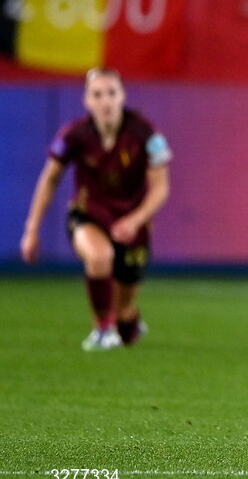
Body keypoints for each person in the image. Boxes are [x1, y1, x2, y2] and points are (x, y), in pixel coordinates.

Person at [20, 67, 172, 351]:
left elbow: (161, 188)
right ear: (87, 101)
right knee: (101, 257)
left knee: (124, 313)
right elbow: (50, 179)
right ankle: (102, 330)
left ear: (122, 96)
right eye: (97, 95)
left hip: (132, 223)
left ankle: (127, 323)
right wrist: (32, 229)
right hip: (88, 215)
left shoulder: (146, 134)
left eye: (112, 93)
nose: (106, 101)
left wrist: (135, 220)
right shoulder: (74, 135)